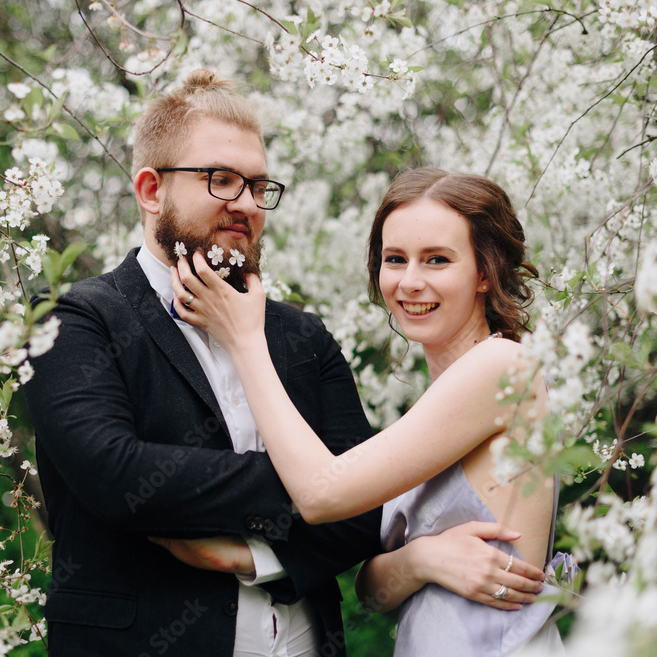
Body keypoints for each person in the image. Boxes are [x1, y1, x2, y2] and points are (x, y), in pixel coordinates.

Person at [24, 69, 542, 657]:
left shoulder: (302, 337)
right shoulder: (77, 323)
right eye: (221, 180)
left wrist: (256, 555)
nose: (245, 203)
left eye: (258, 185)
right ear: (151, 190)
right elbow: (116, 477)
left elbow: (359, 512)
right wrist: (312, 481)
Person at [167, 167, 567, 656]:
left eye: (437, 259)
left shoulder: (505, 367)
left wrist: (246, 341)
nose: (411, 281)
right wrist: (422, 560)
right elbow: (371, 591)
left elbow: (319, 494)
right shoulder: (445, 398)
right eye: (395, 259)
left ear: (485, 271)